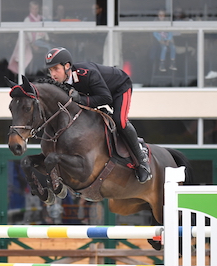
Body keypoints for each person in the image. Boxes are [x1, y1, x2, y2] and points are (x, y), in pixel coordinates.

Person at [44, 47, 152, 183]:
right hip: (99, 93)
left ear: (67, 66)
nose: (53, 74)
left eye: (55, 69)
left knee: (120, 121)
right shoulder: (60, 82)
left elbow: (106, 98)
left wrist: (81, 100)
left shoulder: (87, 74)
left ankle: (142, 161)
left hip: (119, 87)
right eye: (50, 70)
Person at [7, 1, 51, 75]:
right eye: (33, 8)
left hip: (43, 40)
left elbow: (46, 30)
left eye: (36, 8)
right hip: (35, 42)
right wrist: (32, 44)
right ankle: (49, 67)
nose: (35, 10)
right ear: (30, 9)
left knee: (52, 46)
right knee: (49, 48)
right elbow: (28, 35)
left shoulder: (42, 18)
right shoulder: (27, 20)